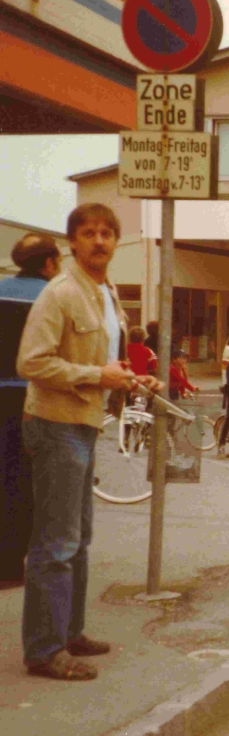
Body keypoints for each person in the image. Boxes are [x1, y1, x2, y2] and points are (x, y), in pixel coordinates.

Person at [17, 203, 161, 681]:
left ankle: (69, 632)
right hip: (56, 424)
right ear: (72, 242)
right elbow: (31, 363)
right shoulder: (59, 293)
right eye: (89, 233)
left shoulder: (104, 291)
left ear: (116, 242)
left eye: (107, 233)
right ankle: (44, 650)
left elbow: (105, 362)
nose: (100, 241)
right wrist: (96, 375)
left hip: (83, 423)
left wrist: (134, 379)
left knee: (78, 539)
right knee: (56, 543)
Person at [0, 234, 61, 588]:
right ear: (49, 264)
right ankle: (13, 564)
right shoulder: (50, 297)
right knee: (28, 484)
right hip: (32, 399)